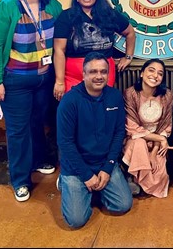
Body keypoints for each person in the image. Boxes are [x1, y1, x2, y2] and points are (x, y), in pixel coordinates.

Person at [0, 0, 63, 202]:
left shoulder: (53, 6)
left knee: (38, 123)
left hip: (44, 78)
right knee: (18, 131)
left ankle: (39, 159)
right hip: (15, 80)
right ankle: (20, 179)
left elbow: (60, 41)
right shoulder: (6, 7)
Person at [56, 51, 132, 229]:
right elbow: (65, 143)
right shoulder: (69, 102)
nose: (99, 76)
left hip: (104, 163)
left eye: (103, 72)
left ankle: (94, 191)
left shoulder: (114, 97)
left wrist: (108, 167)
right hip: (76, 167)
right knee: (76, 221)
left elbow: (119, 133)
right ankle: (67, 184)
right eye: (93, 72)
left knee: (123, 205)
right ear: (83, 74)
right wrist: (86, 175)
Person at [53, 0, 136, 101]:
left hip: (102, 73)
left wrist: (128, 57)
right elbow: (59, 50)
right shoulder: (66, 17)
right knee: (77, 111)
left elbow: (130, 33)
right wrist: (59, 81)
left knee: (101, 108)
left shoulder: (109, 14)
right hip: (73, 76)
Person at [122, 59, 173, 198]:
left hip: (156, 143)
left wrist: (154, 151)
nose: (155, 75)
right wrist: (160, 139)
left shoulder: (167, 95)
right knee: (139, 145)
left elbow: (165, 125)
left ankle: (138, 184)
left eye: (160, 73)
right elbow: (132, 127)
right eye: (151, 70)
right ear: (141, 73)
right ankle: (133, 180)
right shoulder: (131, 93)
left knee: (158, 167)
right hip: (135, 140)